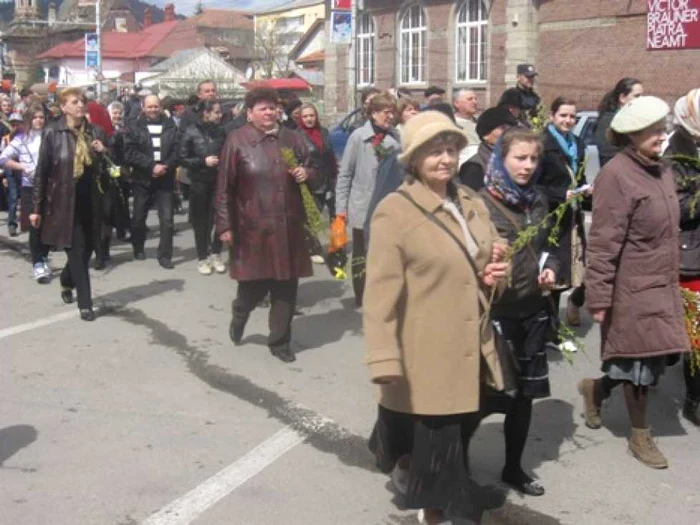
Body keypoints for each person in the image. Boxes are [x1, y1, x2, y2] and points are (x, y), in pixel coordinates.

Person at [364, 111, 508, 525]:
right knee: (437, 437)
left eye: (451, 150)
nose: (445, 159)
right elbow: (379, 294)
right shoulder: (396, 211)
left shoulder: (469, 201)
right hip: (425, 346)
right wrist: (384, 359)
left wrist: (497, 269)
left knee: (461, 425)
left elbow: (492, 252)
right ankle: (437, 511)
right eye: (434, 152)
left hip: (471, 342)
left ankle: (452, 487)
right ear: (413, 159)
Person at [579, 96, 689, 469]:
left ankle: (596, 388)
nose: (663, 136)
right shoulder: (616, 176)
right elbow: (604, 242)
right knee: (639, 366)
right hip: (632, 287)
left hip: (661, 281)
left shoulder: (662, 170)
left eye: (664, 128)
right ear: (633, 135)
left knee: (647, 361)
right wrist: (599, 296)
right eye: (656, 131)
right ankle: (640, 436)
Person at [479, 127, 559, 496]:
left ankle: (513, 467)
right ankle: (452, 468)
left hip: (532, 310)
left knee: (523, 399)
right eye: (519, 158)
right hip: (495, 314)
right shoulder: (480, 204)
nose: (527, 166)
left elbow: (551, 245)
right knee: (483, 398)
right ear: (501, 157)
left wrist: (552, 268)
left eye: (533, 159)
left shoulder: (539, 200)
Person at [215, 87, 318, 364]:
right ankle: (240, 314)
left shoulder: (293, 139)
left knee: (286, 287)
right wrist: (225, 225)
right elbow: (224, 187)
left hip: (288, 225)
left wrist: (306, 173)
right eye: (263, 108)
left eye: (273, 107)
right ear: (250, 114)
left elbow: (318, 172)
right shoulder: (237, 141)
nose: (269, 112)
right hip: (253, 228)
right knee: (253, 287)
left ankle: (280, 341)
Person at [31, 87, 108, 321]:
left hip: (91, 199)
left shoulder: (95, 132)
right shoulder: (53, 133)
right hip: (63, 202)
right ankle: (85, 304)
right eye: (74, 102)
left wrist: (102, 151)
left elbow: (107, 166)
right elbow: (42, 172)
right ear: (63, 107)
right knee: (76, 250)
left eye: (82, 101)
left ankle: (66, 279)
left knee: (90, 249)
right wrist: (36, 208)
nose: (79, 105)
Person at [335, 92, 400, 307]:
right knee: (361, 255)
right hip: (362, 206)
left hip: (387, 206)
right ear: (373, 113)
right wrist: (340, 210)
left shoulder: (396, 139)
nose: (390, 117)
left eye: (393, 112)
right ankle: (361, 296)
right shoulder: (358, 137)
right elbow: (345, 174)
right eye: (386, 112)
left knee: (384, 254)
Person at [538, 97, 589, 332]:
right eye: (563, 115)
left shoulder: (577, 144)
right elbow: (534, 184)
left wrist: (585, 189)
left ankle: (553, 323)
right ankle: (548, 327)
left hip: (572, 216)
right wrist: (560, 194)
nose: (568, 121)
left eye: (572, 117)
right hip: (550, 216)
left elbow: (579, 176)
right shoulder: (542, 145)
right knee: (551, 271)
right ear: (552, 116)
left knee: (572, 269)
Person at [666, 87, 700, 427]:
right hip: (689, 253)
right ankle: (694, 398)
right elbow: (675, 208)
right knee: (695, 334)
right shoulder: (675, 154)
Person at [124, 94, 179, 269]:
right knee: (139, 218)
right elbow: (129, 152)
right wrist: (150, 166)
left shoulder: (171, 126)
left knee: (167, 219)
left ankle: (165, 255)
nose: (153, 110)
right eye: (150, 107)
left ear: (161, 107)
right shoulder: (134, 127)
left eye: (156, 106)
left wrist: (165, 166)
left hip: (165, 178)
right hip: (143, 179)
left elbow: (178, 151)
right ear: (143, 108)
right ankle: (138, 246)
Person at [0, 104, 50, 282]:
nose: (39, 120)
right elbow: (4, 158)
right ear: (29, 120)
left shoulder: (49, 136)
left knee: (48, 225)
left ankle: (44, 256)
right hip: (30, 187)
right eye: (35, 117)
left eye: (41, 117)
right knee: (35, 225)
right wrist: (22, 167)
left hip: (50, 186)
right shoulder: (21, 139)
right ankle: (38, 262)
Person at [178, 99, 226, 275]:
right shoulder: (191, 132)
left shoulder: (222, 131)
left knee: (220, 218)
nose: (220, 115)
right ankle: (202, 257)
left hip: (219, 181)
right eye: (217, 112)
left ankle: (216, 252)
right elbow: (182, 158)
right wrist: (202, 161)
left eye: (220, 112)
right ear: (206, 113)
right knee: (201, 221)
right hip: (198, 182)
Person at [298, 102, 338, 264]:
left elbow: (330, 156)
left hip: (330, 179)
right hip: (312, 182)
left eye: (311, 115)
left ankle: (336, 248)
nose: (309, 119)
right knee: (313, 218)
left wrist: (336, 176)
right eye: (305, 116)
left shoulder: (324, 132)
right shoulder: (297, 135)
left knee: (337, 217)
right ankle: (313, 249)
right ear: (301, 118)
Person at [459, 107, 517, 191]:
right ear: (485, 135)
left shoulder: (519, 159)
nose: (509, 132)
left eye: (511, 127)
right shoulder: (474, 167)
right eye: (503, 128)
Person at [593, 78, 643, 167]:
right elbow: (608, 154)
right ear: (622, 98)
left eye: (642, 96)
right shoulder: (609, 121)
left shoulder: (630, 120)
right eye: (637, 96)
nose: (641, 100)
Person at [1, 112, 23, 237]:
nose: (15, 126)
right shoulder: (6, 139)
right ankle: (12, 224)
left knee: (26, 199)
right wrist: (3, 176)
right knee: (13, 198)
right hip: (11, 171)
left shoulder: (25, 138)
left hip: (23, 170)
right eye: (12, 124)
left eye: (17, 124)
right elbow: (2, 158)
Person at [453, 89, 480, 156]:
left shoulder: (482, 122)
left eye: (475, 99)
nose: (474, 102)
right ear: (456, 103)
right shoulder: (451, 124)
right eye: (470, 99)